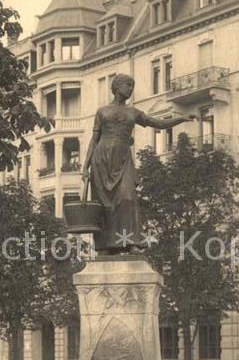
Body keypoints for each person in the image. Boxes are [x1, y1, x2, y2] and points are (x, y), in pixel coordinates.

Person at [82, 73, 196, 253]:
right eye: (128, 85)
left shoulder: (133, 112)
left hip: (123, 158)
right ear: (117, 87)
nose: (131, 89)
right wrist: (85, 167)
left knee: (128, 198)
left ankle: (131, 242)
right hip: (101, 159)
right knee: (104, 204)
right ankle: (106, 246)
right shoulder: (102, 111)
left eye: (132, 86)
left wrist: (180, 119)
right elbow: (93, 140)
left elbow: (158, 123)